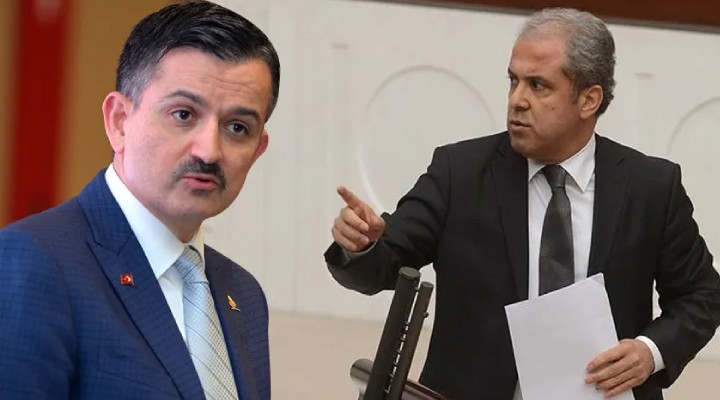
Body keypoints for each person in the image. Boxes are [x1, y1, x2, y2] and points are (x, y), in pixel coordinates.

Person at [325, 7, 720, 399]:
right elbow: (384, 264)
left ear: (589, 100)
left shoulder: (651, 187)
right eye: (513, 81)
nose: (517, 100)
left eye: (538, 86)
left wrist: (650, 353)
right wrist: (361, 245)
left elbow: (702, 296)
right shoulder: (459, 173)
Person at [0, 1, 279, 399]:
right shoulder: (35, 261)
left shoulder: (244, 296)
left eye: (237, 127)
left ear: (258, 150)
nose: (209, 151)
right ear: (119, 121)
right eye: (183, 114)